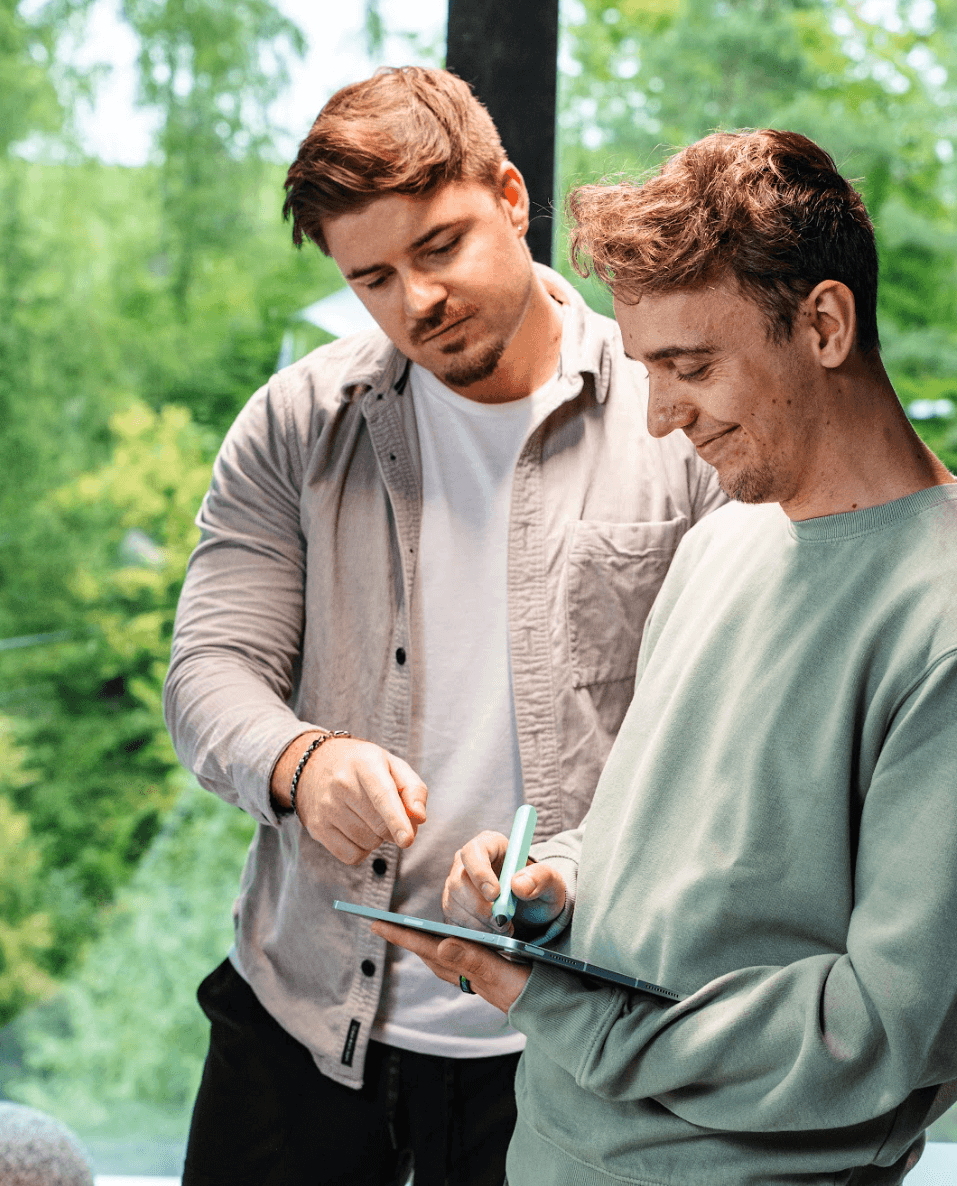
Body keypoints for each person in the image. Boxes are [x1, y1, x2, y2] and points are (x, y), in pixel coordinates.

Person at [378, 129, 957, 1186]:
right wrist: (553, 884)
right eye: (647, 371)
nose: (662, 418)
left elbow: (886, 1030)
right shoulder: (723, 538)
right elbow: (668, 847)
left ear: (825, 323)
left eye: (693, 366)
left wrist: (563, 1007)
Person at [164, 66, 725, 1186]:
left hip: (568, 1044)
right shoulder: (294, 424)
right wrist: (300, 762)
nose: (417, 299)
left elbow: (728, 745)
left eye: (441, 246)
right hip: (304, 1020)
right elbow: (210, 669)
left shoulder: (676, 421)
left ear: (512, 197)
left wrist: (573, 874)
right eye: (372, 277)